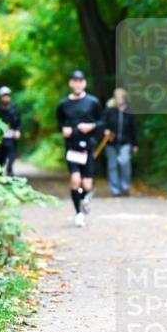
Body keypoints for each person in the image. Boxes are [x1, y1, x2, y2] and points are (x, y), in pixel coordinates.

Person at [56, 69, 105, 227]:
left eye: (80, 81)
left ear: (84, 83)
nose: (77, 84)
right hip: (72, 147)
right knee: (75, 181)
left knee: (87, 185)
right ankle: (78, 214)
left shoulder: (93, 102)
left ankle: (85, 198)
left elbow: (102, 122)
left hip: (88, 147)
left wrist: (91, 126)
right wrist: (63, 129)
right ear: (71, 83)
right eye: (74, 81)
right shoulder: (63, 104)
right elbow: (59, 122)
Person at [102, 87, 138, 196]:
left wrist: (135, 144)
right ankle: (115, 190)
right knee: (112, 165)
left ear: (124, 98)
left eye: (121, 98)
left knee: (124, 162)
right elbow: (103, 123)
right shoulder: (109, 110)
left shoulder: (129, 111)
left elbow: (133, 128)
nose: (119, 100)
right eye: (117, 97)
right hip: (111, 143)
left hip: (125, 143)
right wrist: (105, 130)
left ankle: (125, 186)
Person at [0, 86, 21, 176]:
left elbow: (18, 122)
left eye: (7, 96)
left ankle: (10, 172)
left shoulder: (14, 109)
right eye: (4, 96)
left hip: (11, 138)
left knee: (11, 157)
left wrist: (18, 130)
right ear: (0, 97)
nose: (6, 98)